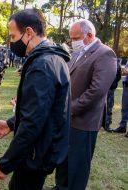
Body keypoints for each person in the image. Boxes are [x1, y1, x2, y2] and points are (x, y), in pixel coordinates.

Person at [0, 9, 71, 190]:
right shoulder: (54, 59)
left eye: (13, 36)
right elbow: (41, 108)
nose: (11, 42)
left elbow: (32, 122)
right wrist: (12, 123)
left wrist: (5, 163)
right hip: (43, 149)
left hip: (35, 153)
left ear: (29, 32)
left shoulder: (42, 64)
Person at [55, 19, 117, 190]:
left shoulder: (105, 54)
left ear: (89, 35)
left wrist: (69, 109)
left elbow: (96, 91)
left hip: (84, 121)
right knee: (63, 160)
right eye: (71, 39)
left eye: (76, 38)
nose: (73, 42)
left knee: (77, 166)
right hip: (68, 118)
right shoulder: (78, 53)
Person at [104, 58, 122, 131]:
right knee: (108, 107)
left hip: (108, 87)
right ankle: (106, 124)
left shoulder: (103, 60)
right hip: (106, 87)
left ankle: (106, 124)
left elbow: (118, 76)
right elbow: (119, 76)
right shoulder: (116, 62)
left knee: (108, 107)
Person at [113, 59, 128, 135]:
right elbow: (124, 71)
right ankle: (122, 126)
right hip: (126, 85)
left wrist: (125, 70)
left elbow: (125, 71)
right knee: (125, 108)